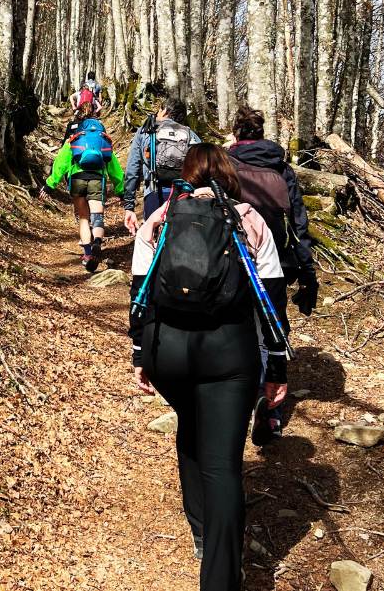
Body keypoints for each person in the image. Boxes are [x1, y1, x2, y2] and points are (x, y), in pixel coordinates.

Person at [129, 144, 288, 590]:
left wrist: (141, 355)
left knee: (190, 425)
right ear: (229, 176)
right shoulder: (249, 220)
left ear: (186, 175)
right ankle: (219, 576)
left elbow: (139, 293)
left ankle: (200, 531)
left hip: (169, 353)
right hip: (229, 354)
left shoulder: (160, 219)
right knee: (223, 465)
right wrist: (277, 367)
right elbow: (271, 303)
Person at [227, 103, 319, 442]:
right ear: (262, 133)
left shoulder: (226, 165)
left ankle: (238, 399)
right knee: (272, 334)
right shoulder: (281, 167)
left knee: (237, 330)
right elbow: (298, 224)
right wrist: (308, 273)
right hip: (277, 261)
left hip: (235, 260)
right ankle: (271, 410)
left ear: (236, 132)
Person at [42, 114, 124, 271]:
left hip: (77, 179)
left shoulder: (73, 140)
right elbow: (115, 170)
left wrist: (50, 184)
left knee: (84, 218)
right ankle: (97, 243)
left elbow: (61, 164)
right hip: (97, 179)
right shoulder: (103, 141)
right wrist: (121, 191)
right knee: (97, 216)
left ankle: (87, 254)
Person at [123, 97, 200, 235]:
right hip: (182, 194)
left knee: (153, 239)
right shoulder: (190, 134)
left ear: (164, 110)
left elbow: (132, 170)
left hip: (154, 192)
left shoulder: (145, 132)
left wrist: (129, 206)